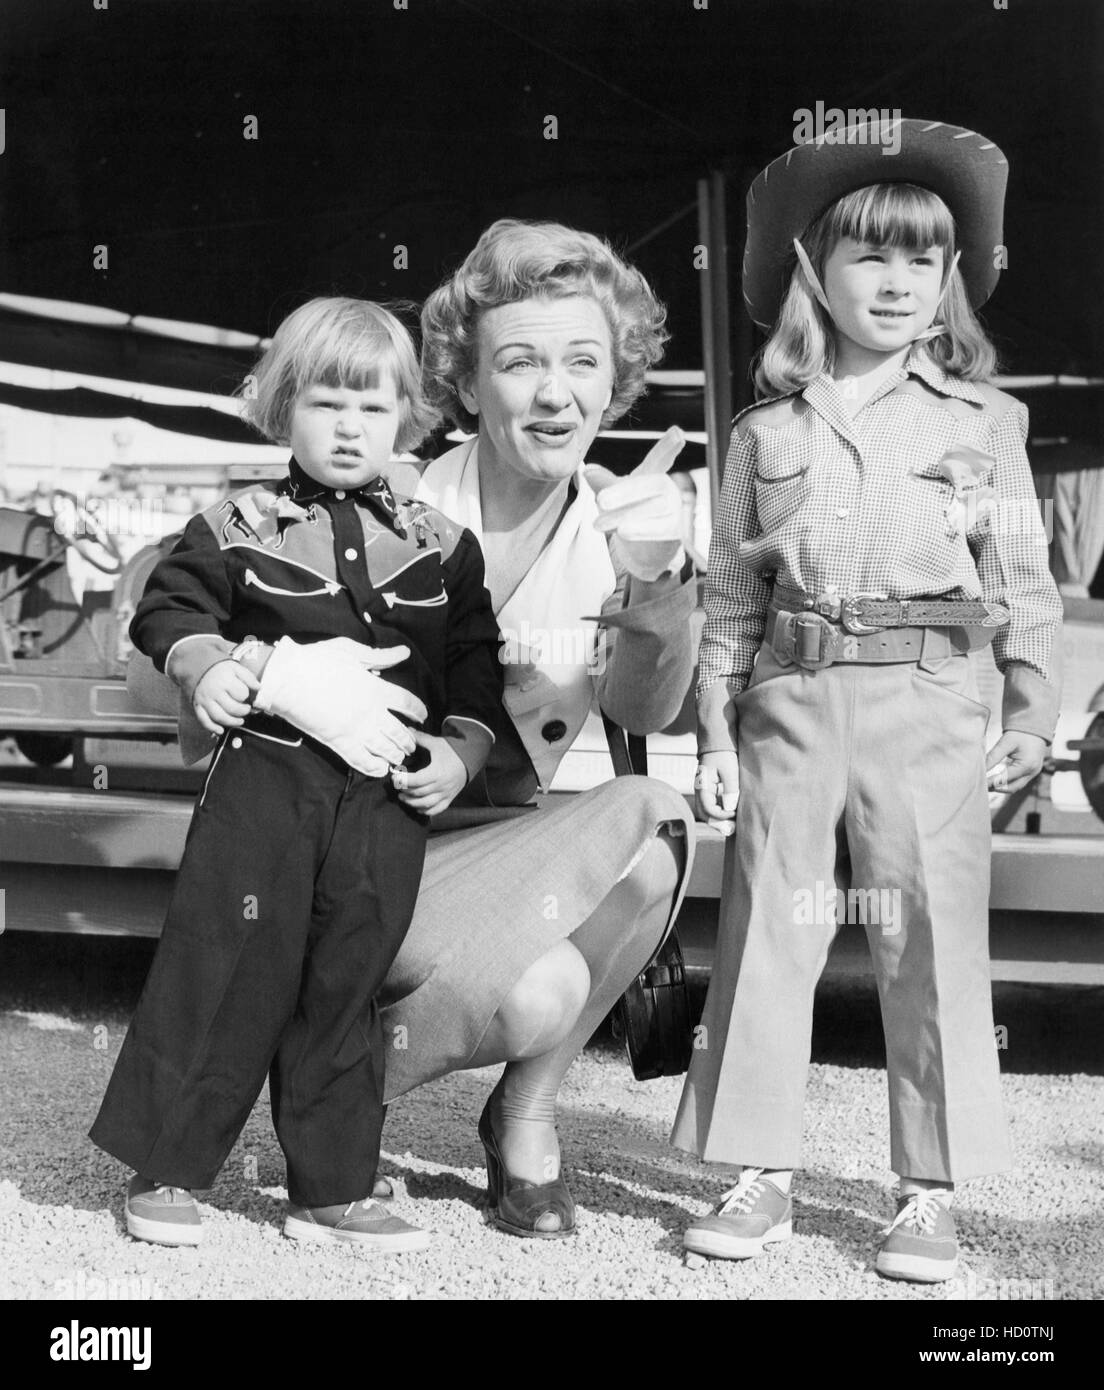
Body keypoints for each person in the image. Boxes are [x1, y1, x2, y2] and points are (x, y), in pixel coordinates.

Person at [672, 119, 1062, 1282]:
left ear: (950, 279)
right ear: (810, 271)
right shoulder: (763, 432)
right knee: (766, 930)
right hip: (789, 693)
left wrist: (1032, 715)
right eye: (866, 257)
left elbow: (1023, 583)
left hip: (932, 692)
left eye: (921, 260)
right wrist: (712, 728)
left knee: (926, 935)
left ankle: (926, 1192)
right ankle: (758, 1175)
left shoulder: (986, 425)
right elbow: (731, 597)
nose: (895, 283)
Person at [90, 297, 504, 1252]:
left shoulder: (445, 545)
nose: (350, 427)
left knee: (346, 980)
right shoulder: (233, 524)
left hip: (384, 798)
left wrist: (462, 750)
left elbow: (478, 664)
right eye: (326, 404)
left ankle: (331, 1187)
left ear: (410, 414)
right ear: (283, 408)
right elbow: (169, 612)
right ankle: (167, 1167)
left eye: (372, 406)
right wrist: (215, 666)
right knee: (228, 964)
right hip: (265, 788)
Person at [375, 218, 698, 1238]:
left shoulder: (621, 515)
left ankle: (527, 1112)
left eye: (583, 363)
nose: (554, 391)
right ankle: (338, 1086)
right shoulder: (390, 502)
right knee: (533, 993)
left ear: (616, 384)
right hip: (372, 851)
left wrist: (654, 584)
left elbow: (648, 713)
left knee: (653, 831)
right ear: (468, 385)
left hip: (506, 841)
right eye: (520, 362)